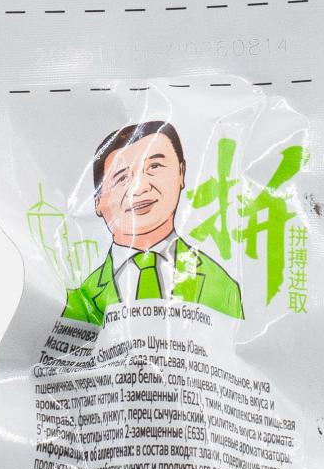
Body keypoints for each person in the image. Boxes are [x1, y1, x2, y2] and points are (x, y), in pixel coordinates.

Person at [62, 121, 244, 325]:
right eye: (121, 178)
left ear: (181, 172)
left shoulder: (221, 284)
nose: (140, 188)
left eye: (154, 167)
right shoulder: (79, 297)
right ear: (98, 201)